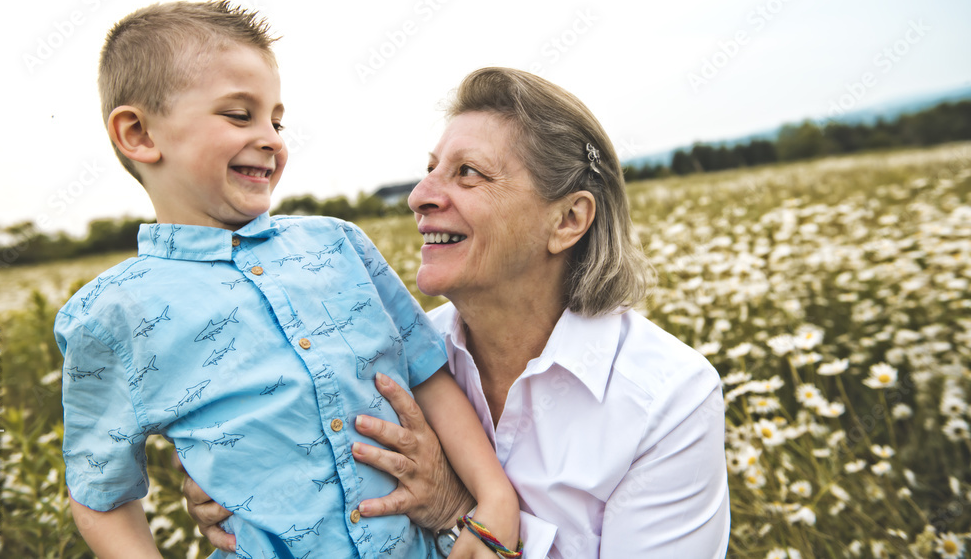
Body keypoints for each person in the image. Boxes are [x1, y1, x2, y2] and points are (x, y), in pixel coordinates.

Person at [188, 67, 731, 557]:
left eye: (468, 173)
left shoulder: (669, 400)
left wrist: (454, 512)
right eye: (430, 170)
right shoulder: (384, 355)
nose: (420, 196)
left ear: (568, 219)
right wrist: (231, 468)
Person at [54, 2, 522, 559]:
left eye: (276, 120)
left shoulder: (339, 245)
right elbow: (99, 491)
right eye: (237, 115)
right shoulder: (114, 313)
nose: (271, 138)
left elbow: (425, 375)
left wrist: (496, 500)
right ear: (138, 134)